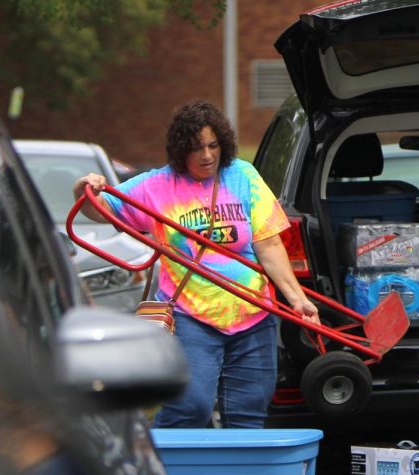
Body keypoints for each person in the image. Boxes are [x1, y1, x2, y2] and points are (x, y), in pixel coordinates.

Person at [74, 100, 319, 428]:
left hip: (253, 316)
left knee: (250, 413)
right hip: (192, 318)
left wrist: (298, 299)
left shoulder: (243, 176)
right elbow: (101, 208)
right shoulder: (157, 186)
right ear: (179, 150)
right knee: (190, 408)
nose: (207, 155)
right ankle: (164, 472)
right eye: (196, 148)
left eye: (213, 145)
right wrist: (85, 188)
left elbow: (269, 243)